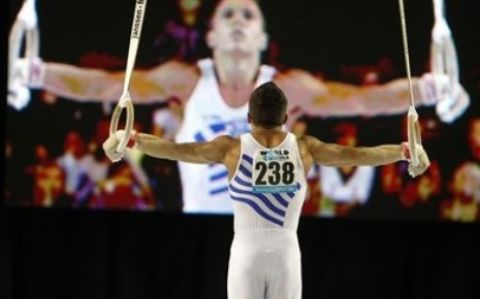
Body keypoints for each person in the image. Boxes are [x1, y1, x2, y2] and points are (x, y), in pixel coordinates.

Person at [9, 0, 458, 213]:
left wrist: (428, 88)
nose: (239, 22)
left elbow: (362, 99)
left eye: (249, 15)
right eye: (228, 15)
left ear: (263, 38)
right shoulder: (186, 81)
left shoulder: (287, 88)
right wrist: (35, 73)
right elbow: (105, 86)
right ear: (210, 36)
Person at [102, 82, 430, 299]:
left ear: (248, 116)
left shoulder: (231, 148)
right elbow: (358, 156)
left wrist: (128, 138)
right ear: (286, 116)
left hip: (245, 254)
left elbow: (176, 149)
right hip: (287, 254)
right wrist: (404, 150)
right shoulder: (304, 148)